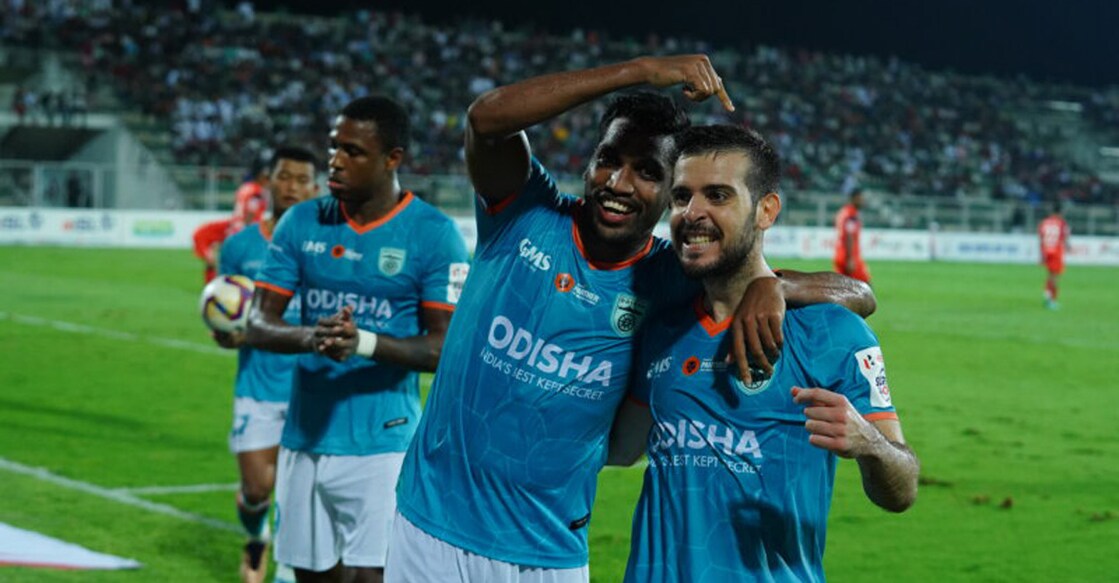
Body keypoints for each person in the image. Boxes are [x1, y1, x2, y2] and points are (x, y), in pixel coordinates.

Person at [386, 56, 876, 582]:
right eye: (608, 160)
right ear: (589, 162)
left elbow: (860, 295)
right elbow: (486, 119)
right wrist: (638, 71)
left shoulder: (670, 275)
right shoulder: (524, 211)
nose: (619, 183)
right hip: (431, 525)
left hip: (548, 548)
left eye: (648, 172)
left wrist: (776, 285)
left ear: (670, 194)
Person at [610, 125, 919, 582]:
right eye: (681, 197)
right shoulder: (661, 328)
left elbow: (902, 489)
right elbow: (619, 447)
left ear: (766, 210)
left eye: (718, 195)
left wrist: (869, 444)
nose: (692, 213)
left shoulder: (833, 334)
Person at [246, 96, 470, 583]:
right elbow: (258, 323)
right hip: (304, 437)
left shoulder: (434, 235)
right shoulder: (301, 222)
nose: (335, 161)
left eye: (353, 151)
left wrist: (362, 343)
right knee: (311, 575)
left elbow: (446, 347)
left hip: (383, 444)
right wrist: (312, 336)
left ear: (393, 158)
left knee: (375, 576)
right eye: (333, 147)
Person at [213, 146, 320, 583]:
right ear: (268, 182)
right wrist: (225, 333)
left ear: (315, 188)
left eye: (301, 180)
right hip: (257, 386)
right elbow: (225, 313)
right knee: (257, 489)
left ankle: (287, 570)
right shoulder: (240, 246)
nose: (292, 187)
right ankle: (257, 536)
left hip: (310, 388)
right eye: (284, 177)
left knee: (301, 491)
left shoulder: (325, 246)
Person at [833, 187, 870, 284]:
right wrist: (850, 259)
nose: (863, 201)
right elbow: (848, 235)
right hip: (850, 257)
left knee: (842, 288)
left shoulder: (843, 212)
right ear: (855, 198)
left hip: (840, 255)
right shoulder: (851, 215)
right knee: (866, 286)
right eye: (861, 198)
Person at [1038, 202, 1071, 310]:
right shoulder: (1062, 223)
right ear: (1061, 212)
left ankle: (1047, 296)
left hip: (1046, 250)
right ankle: (1051, 300)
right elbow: (1065, 237)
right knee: (1055, 277)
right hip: (1056, 251)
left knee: (1050, 275)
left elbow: (1041, 237)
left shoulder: (1044, 222)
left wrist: (1041, 254)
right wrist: (1068, 246)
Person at [230, 159, 271, 235]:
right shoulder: (256, 192)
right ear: (260, 177)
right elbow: (251, 212)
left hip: (234, 227)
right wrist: (246, 232)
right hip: (246, 230)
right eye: (266, 178)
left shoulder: (244, 187)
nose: (268, 182)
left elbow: (235, 204)